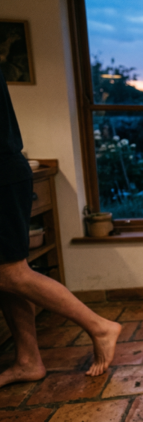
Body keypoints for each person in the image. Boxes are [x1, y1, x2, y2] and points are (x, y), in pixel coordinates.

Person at [0, 69, 121, 388]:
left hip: (0, 174)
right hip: (7, 171)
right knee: (8, 275)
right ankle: (27, 360)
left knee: (9, 274)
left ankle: (99, 326)